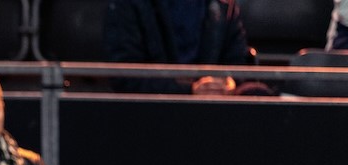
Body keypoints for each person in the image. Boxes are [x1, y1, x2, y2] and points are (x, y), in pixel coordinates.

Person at [103, 0, 254, 95]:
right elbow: (125, 76)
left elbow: (238, 61)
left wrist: (228, 82)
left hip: (214, 113)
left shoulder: (224, 5)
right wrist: (190, 90)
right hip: (149, 116)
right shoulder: (127, 5)